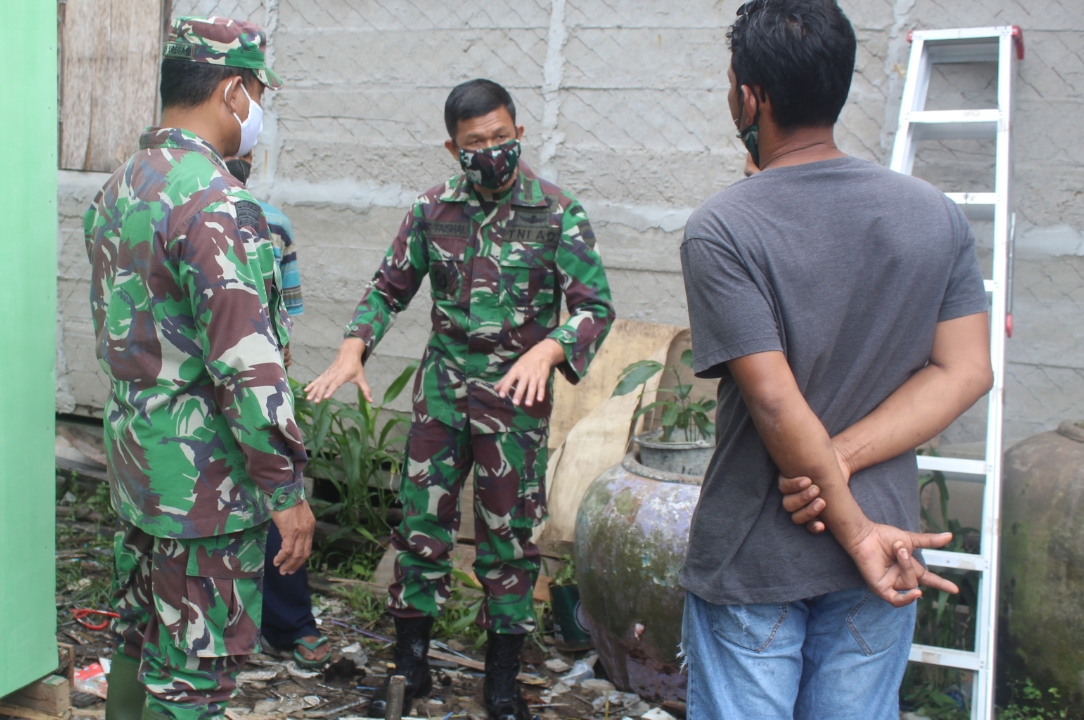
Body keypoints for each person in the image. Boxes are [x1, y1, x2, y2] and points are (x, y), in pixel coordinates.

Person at [676, 1, 995, 718]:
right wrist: (852, 480)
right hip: (887, 552)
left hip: (760, 555)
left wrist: (839, 501)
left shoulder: (724, 228)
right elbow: (967, 370)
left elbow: (776, 402)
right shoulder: (933, 214)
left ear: (750, 97)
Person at [305, 79, 615, 720]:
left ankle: (501, 683)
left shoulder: (558, 212)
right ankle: (410, 667)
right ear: (454, 148)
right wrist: (352, 346)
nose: (491, 150)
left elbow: (594, 308)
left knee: (509, 539)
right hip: (442, 399)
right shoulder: (431, 211)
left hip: (513, 402)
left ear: (519, 134)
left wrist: (548, 350)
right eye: (476, 143)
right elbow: (388, 287)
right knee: (421, 529)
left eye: (502, 138)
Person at [83, 16, 315, 720]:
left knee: (141, 632)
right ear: (233, 89)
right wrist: (287, 489)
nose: (256, 112)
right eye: (256, 93)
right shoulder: (217, 203)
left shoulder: (123, 186)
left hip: (137, 462)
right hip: (204, 486)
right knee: (196, 669)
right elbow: (248, 365)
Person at [223, 151, 331, 668]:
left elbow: (283, 323)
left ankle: (289, 624)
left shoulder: (273, 226)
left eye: (243, 154)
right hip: (197, 396)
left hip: (256, 386)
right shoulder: (176, 209)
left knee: (279, 497)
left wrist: (270, 384)